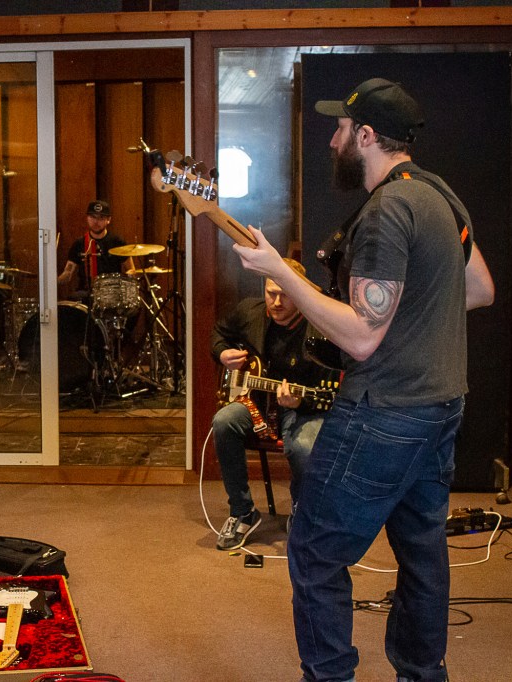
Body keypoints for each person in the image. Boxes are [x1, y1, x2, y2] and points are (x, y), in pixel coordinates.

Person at [233, 79, 494, 682]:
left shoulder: (386, 211)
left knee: (314, 549)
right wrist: (408, 314)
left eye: (341, 129)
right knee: (422, 552)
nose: (333, 140)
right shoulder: (440, 195)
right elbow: (479, 289)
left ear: (367, 136)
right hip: (442, 406)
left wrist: (281, 272)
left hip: (385, 409)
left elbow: (359, 337)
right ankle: (422, 674)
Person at [211, 259, 336, 550]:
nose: (276, 302)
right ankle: (242, 511)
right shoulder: (250, 311)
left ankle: (301, 510)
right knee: (223, 421)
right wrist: (222, 353)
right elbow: (219, 332)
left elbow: (327, 392)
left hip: (304, 407)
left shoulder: (320, 326)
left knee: (304, 447)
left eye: (285, 294)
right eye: (271, 293)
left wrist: (299, 400)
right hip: (257, 403)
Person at [57, 200, 135, 296]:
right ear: (87, 218)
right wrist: (54, 281)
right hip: (85, 293)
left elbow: (131, 270)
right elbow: (68, 272)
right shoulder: (79, 244)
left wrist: (129, 282)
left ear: (108, 219)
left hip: (111, 294)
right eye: (92, 217)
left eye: (101, 218)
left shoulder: (117, 242)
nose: (96, 221)